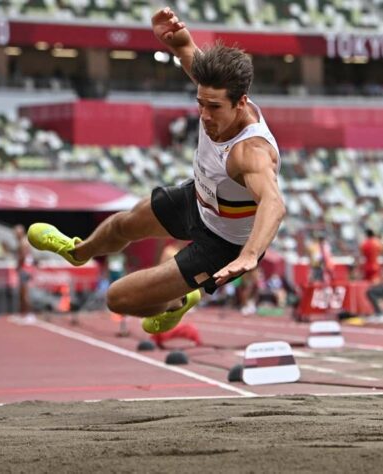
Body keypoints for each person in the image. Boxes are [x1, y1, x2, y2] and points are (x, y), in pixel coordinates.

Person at [27, 7, 285, 334]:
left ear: (241, 103)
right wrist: (176, 40)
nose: (204, 115)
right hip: (199, 199)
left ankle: (179, 301)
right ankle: (78, 251)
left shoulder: (252, 152)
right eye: (200, 103)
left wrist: (249, 255)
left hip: (225, 245)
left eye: (215, 107)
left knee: (118, 298)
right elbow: (188, 51)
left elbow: (274, 204)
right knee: (123, 224)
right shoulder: (213, 90)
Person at [15, 225, 35, 317]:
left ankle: (28, 314)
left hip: (24, 269)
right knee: (23, 293)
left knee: (24, 293)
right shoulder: (25, 242)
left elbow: (22, 257)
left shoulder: (23, 242)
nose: (15, 235)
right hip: (27, 268)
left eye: (16, 233)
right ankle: (24, 313)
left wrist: (18, 266)